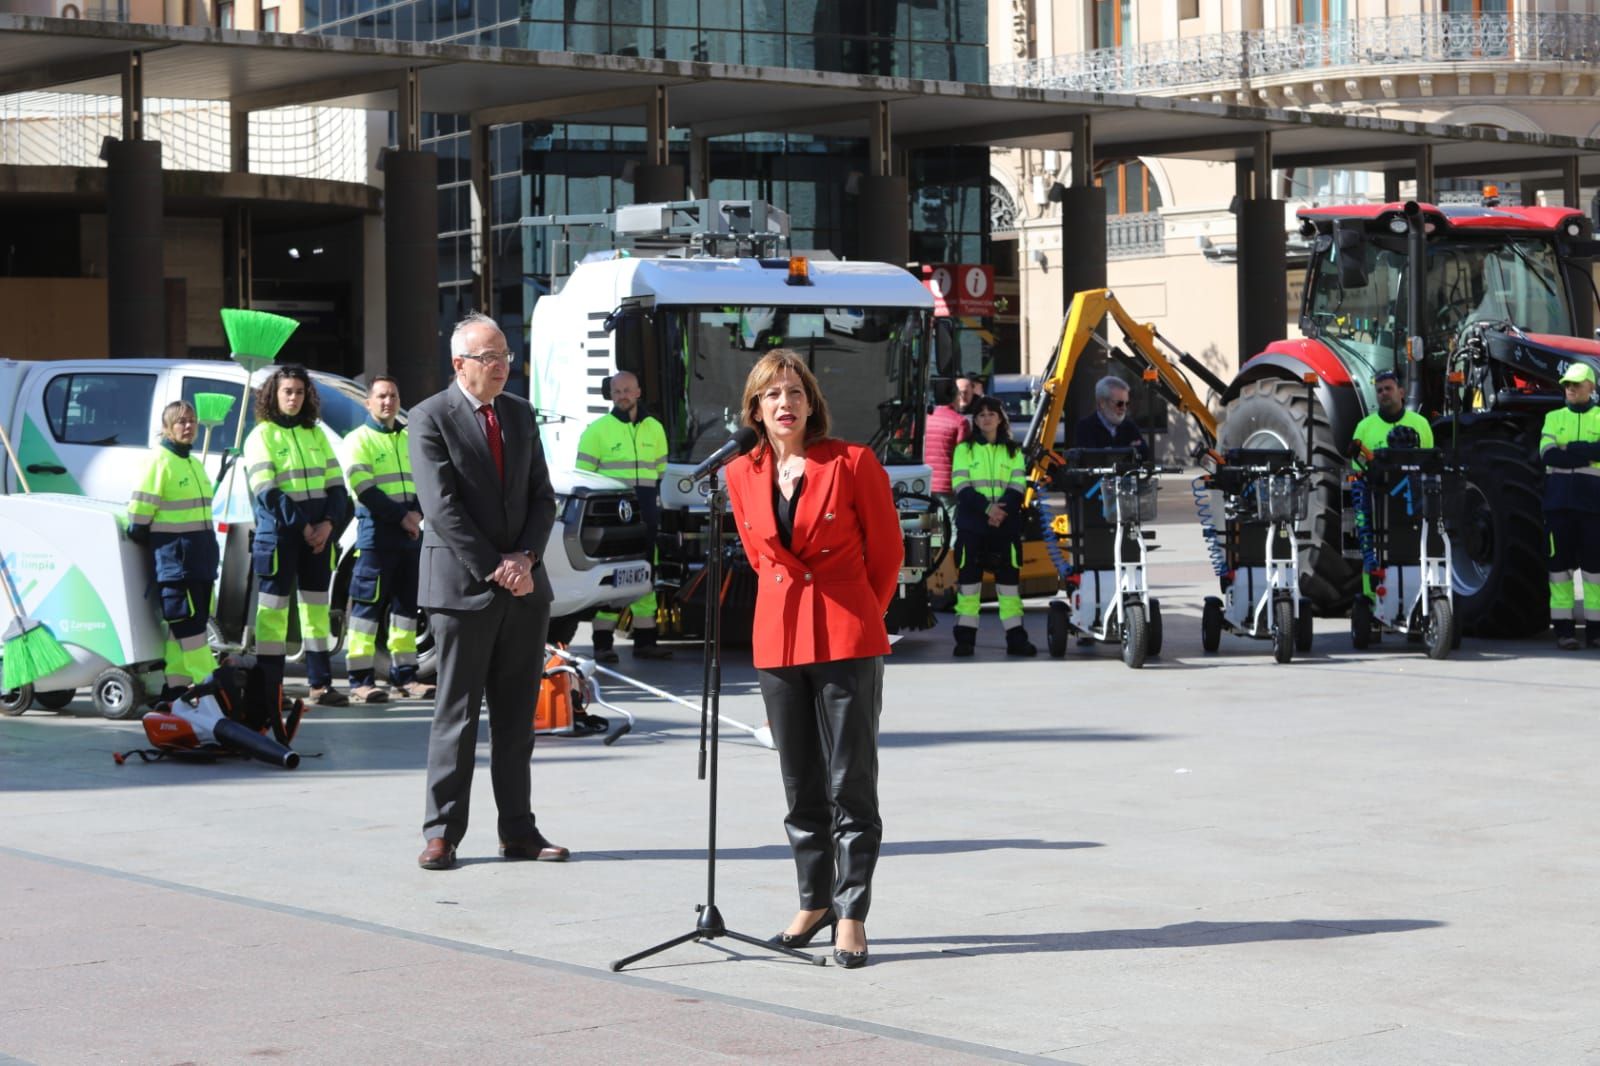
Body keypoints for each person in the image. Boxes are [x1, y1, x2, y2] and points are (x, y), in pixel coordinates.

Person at [724, 349, 902, 969]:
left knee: (850, 781)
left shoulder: (851, 462)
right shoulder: (739, 474)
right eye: (772, 394)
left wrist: (857, 613)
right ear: (754, 408)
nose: (784, 404)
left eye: (794, 392)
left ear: (811, 403)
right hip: (779, 640)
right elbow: (758, 556)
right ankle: (814, 900)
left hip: (847, 634)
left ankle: (852, 914)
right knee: (800, 781)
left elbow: (887, 553)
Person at [410, 312, 568, 871]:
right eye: (489, 358)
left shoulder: (521, 415)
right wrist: (495, 566)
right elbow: (441, 508)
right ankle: (442, 833)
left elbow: (543, 497)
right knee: (456, 715)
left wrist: (525, 558)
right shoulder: (430, 417)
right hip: (462, 588)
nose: (501, 366)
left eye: (505, 356)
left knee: (515, 719)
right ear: (460, 365)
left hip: (524, 588)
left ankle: (518, 831)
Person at [242, 365, 352, 707]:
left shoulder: (315, 433)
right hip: (280, 537)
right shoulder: (261, 436)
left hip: (318, 536)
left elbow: (338, 488)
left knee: (316, 611)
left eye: (299, 392)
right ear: (274, 395)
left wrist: (329, 525)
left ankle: (320, 685)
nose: (293, 397)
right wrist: (306, 527)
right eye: (287, 391)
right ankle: (269, 690)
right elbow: (268, 492)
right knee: (272, 614)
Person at [341, 375, 433, 703]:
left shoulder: (410, 438)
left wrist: (418, 515)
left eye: (392, 395)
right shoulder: (357, 439)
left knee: (406, 609)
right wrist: (404, 517)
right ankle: (360, 681)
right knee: (366, 609)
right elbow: (365, 489)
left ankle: (405, 678)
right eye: (380, 396)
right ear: (368, 402)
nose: (387, 401)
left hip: (410, 534)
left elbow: (426, 480)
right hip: (377, 536)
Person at [575, 371, 671, 663]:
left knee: (645, 574)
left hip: (646, 511)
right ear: (611, 395)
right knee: (611, 578)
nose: (622, 396)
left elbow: (660, 470)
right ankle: (602, 643)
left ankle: (645, 640)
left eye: (627, 390)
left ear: (639, 391)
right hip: (613, 515)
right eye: (617, 391)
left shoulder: (655, 428)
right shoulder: (597, 430)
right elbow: (583, 477)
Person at [127, 401, 220, 699]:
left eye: (191, 421)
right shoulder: (160, 462)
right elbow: (139, 518)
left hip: (200, 562)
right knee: (190, 630)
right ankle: (212, 689)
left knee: (181, 633)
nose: (188, 426)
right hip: (177, 564)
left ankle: (175, 693)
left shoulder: (194, 463)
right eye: (180, 422)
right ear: (166, 428)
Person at [949, 395, 1037, 658]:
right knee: (969, 587)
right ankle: (965, 641)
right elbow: (961, 488)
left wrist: (999, 512)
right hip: (973, 527)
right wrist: (989, 510)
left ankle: (1016, 639)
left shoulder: (1013, 451)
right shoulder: (964, 450)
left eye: (991, 414)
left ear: (1000, 418)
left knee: (1009, 587)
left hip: (1005, 527)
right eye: (981, 415)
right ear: (975, 420)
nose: (986, 418)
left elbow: (1018, 486)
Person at [1538, 362, 1600, 650]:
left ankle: (1595, 632)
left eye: (1576, 383)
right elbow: (1548, 455)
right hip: (1558, 507)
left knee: (1595, 572)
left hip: (1592, 508)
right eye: (1566, 384)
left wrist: (1569, 449)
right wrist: (1586, 452)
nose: (1570, 388)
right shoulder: (1553, 417)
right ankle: (1564, 631)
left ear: (1591, 386)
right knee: (1559, 571)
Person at [1350, 370, 1434, 470]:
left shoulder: (1421, 423)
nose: (1384, 393)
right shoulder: (1363, 427)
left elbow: (1430, 462)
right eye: (1379, 391)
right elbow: (1358, 467)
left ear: (1401, 393)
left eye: (1388, 388)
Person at [1074, 375, 1151, 459]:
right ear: (1102, 403)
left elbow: (1145, 456)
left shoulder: (1129, 426)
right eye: (1120, 403)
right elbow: (1089, 460)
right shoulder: (1085, 427)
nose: (1124, 408)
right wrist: (1128, 450)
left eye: (1127, 404)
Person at [924, 378, 971, 499]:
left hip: (923, 483)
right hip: (947, 485)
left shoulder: (923, 420)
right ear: (955, 396)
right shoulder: (960, 421)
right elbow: (964, 456)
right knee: (954, 517)